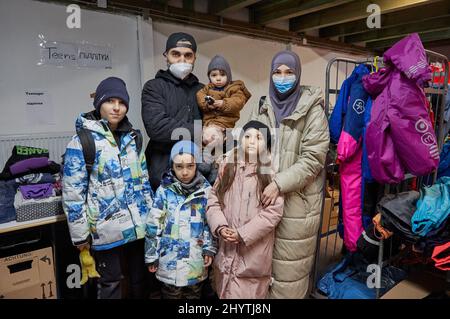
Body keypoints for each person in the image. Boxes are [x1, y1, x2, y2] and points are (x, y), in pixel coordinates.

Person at [62, 77, 154, 299]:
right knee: (110, 284)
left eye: (121, 102)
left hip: (138, 228)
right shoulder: (82, 141)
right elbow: (73, 195)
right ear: (99, 104)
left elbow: (144, 183)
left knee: (140, 281)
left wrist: (153, 220)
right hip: (105, 231)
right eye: (110, 101)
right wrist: (81, 239)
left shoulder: (134, 138)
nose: (116, 107)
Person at [249, 50, 330, 299]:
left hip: (297, 205)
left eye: (289, 72)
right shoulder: (261, 106)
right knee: (260, 271)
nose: (282, 77)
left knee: (288, 277)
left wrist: (278, 183)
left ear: (298, 75)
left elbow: (313, 159)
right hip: (262, 200)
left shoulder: (313, 111)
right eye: (277, 72)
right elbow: (250, 145)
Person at [206, 120, 283, 299]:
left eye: (259, 137)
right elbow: (213, 199)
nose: (252, 141)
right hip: (225, 253)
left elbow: (273, 213)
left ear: (267, 145)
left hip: (253, 257)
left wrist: (242, 233)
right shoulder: (228, 166)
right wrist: (220, 226)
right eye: (247, 136)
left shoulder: (270, 173)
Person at [145, 141, 217, 299]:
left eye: (190, 166)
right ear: (172, 167)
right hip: (169, 262)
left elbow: (209, 224)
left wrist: (209, 248)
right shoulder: (164, 191)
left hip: (195, 261)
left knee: (193, 296)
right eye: (179, 166)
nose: (185, 172)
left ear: (196, 165)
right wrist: (151, 255)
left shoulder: (206, 191)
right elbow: (153, 224)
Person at [142, 32, 203, 191]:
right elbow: (156, 127)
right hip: (163, 173)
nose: (182, 60)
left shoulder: (203, 91)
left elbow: (217, 123)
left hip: (198, 174)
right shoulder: (154, 87)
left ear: (194, 58)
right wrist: (201, 131)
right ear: (166, 56)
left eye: (188, 55)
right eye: (176, 54)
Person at [196, 54, 251, 147]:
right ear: (209, 77)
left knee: (215, 141)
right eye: (214, 75)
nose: (218, 78)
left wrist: (223, 103)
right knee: (203, 141)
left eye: (222, 74)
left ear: (228, 75)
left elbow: (238, 101)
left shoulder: (235, 88)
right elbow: (200, 95)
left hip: (224, 124)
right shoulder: (207, 88)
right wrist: (207, 104)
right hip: (208, 123)